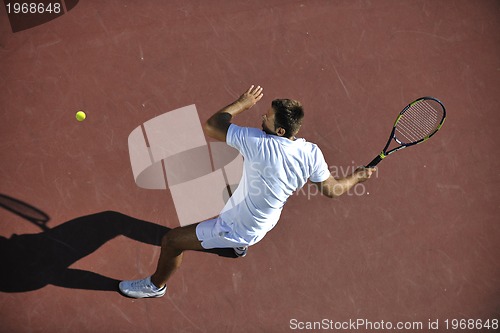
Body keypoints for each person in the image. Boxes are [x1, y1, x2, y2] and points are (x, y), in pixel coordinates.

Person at [119, 85, 376, 298]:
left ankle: (155, 286)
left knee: (172, 241)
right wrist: (358, 176)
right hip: (266, 219)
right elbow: (332, 190)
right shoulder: (311, 153)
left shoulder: (257, 143)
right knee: (232, 189)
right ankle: (238, 247)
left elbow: (212, 125)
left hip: (239, 228)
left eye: (267, 117)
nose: (262, 117)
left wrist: (242, 102)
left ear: (280, 130)